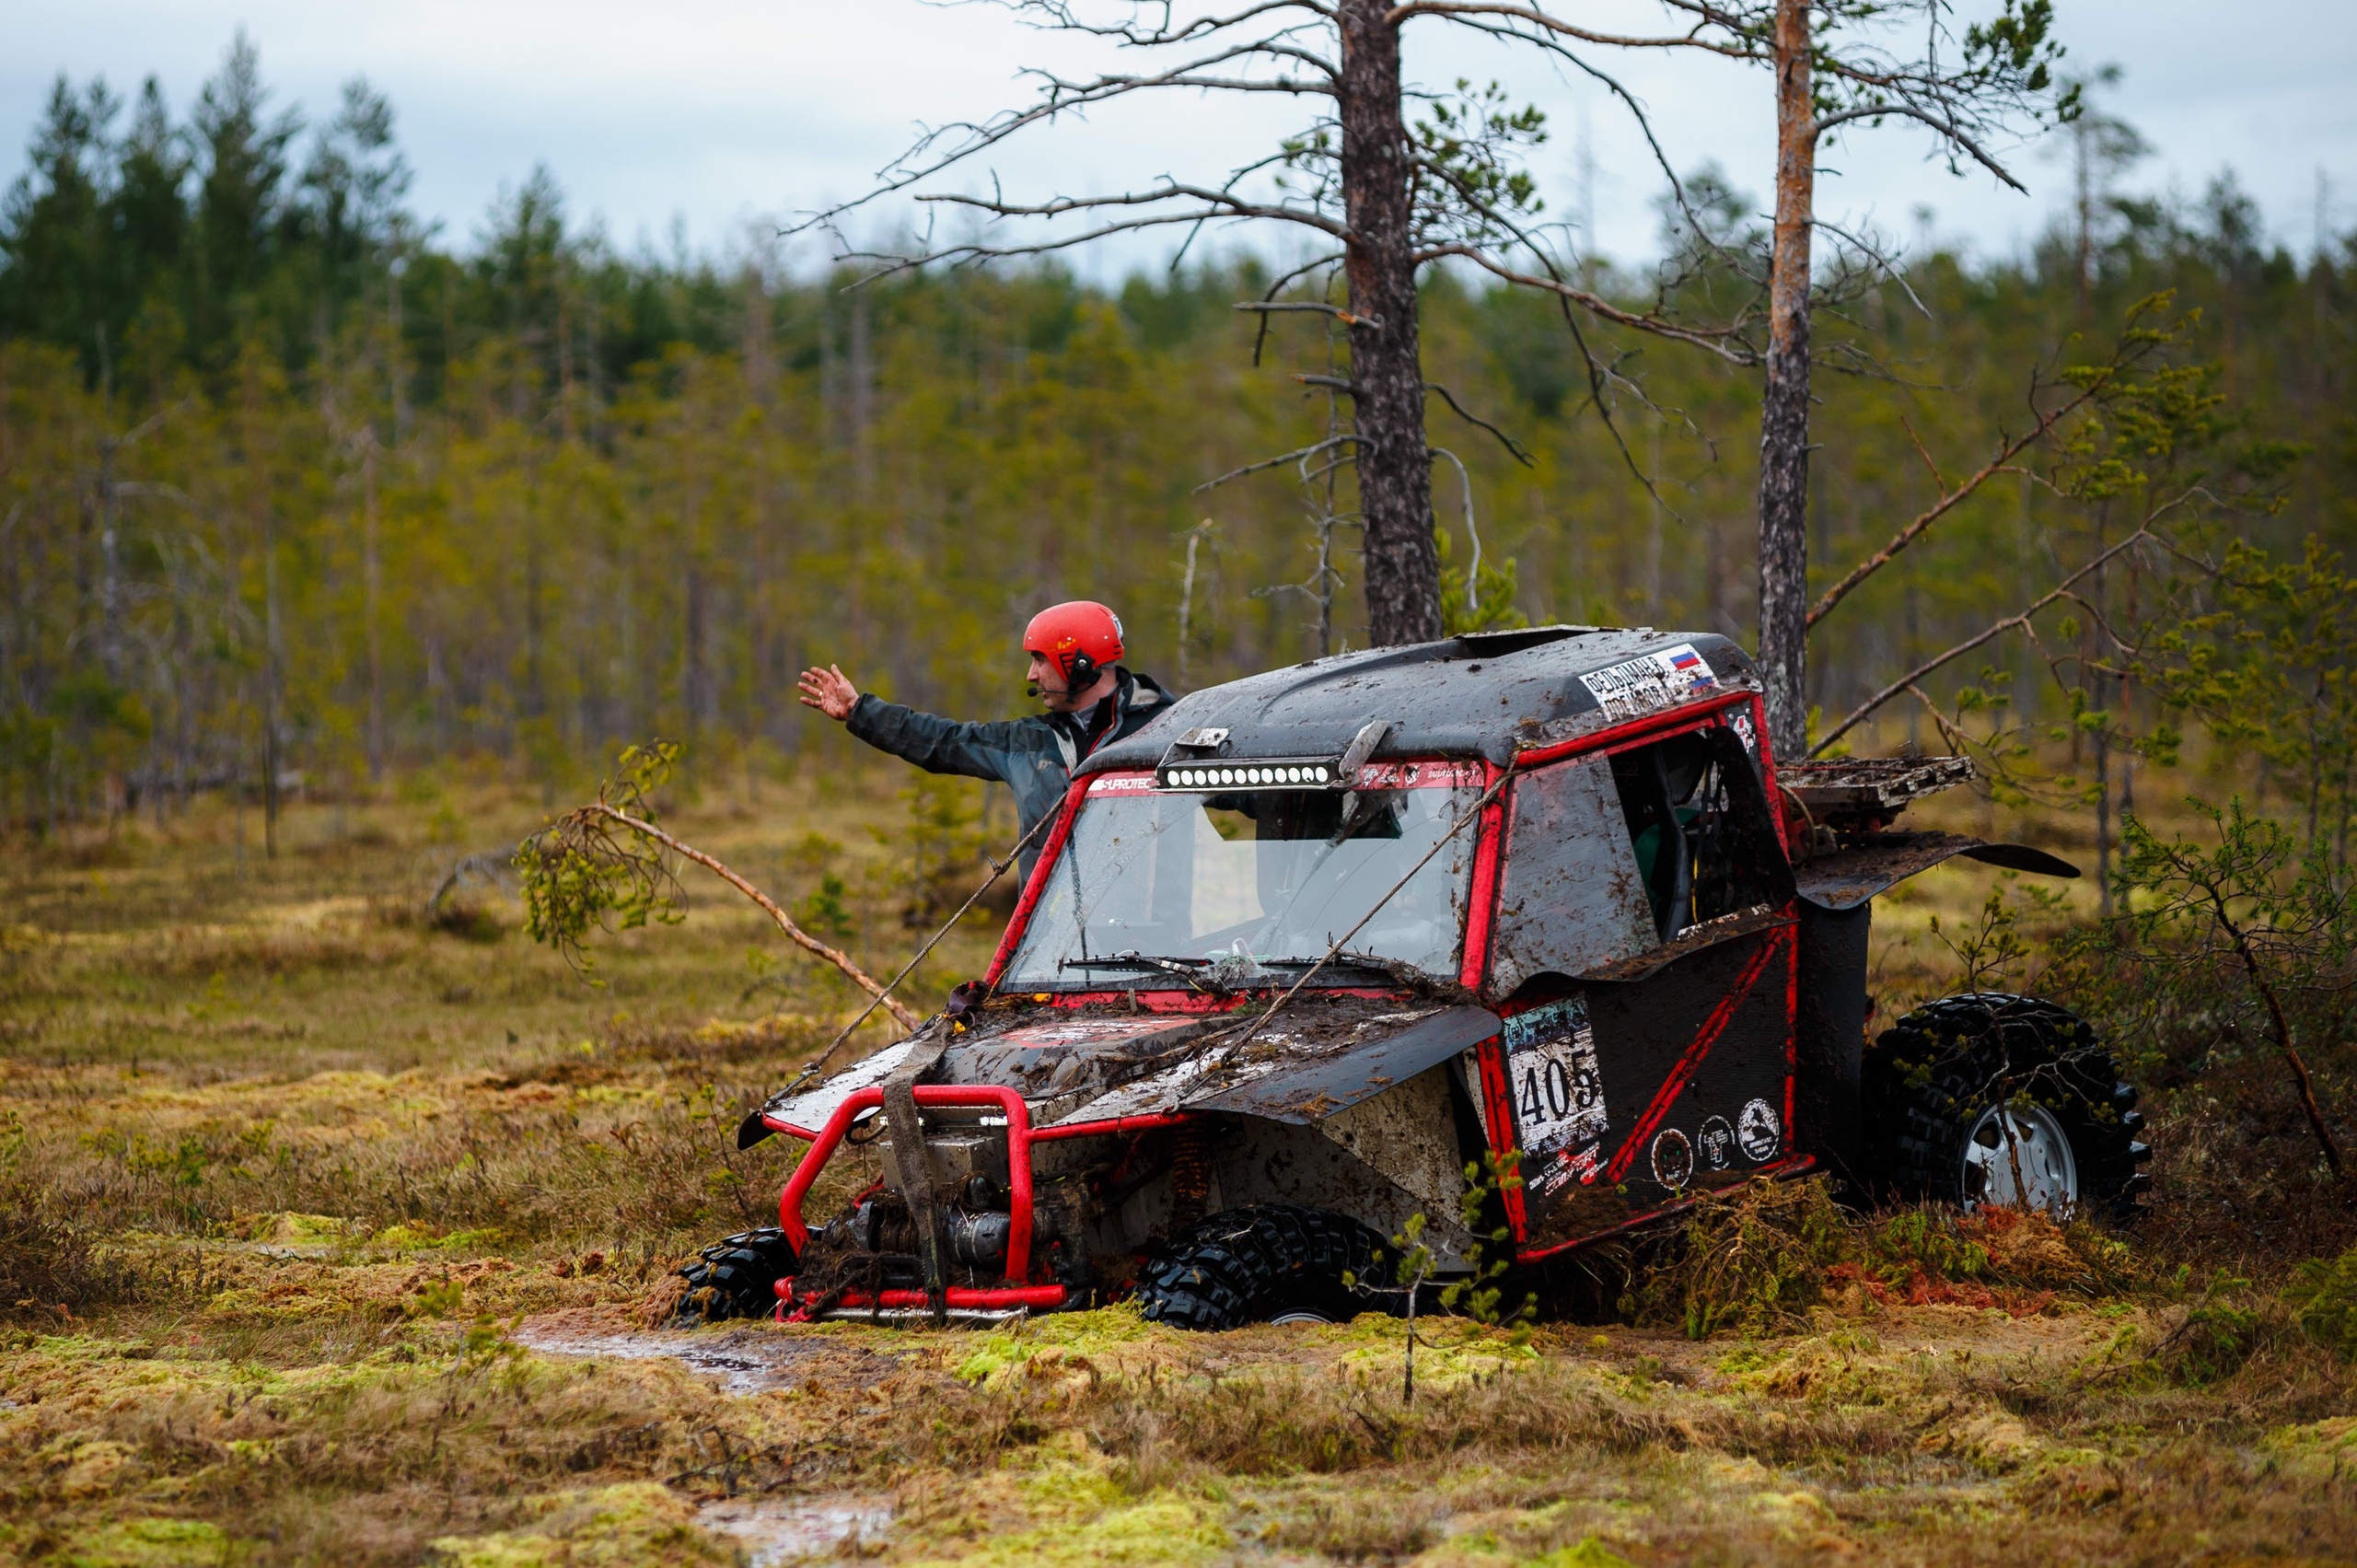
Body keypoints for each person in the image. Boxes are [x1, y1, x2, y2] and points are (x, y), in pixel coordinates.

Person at [796, 601, 1175, 877]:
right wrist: (860, 710)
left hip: (1152, 945)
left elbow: (1233, 784)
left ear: (1078, 663)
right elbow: (943, 742)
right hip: (1050, 945)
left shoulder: (1166, 731)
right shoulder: (1027, 742)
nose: (1031, 674)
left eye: (1040, 659)